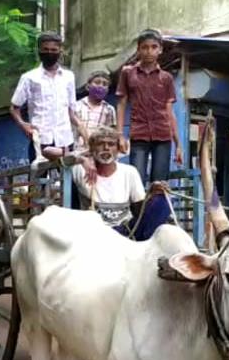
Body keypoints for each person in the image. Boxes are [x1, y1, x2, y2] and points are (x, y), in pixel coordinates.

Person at [72, 127, 173, 241]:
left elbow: (139, 211)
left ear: (117, 149)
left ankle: (142, 246)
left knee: (161, 200)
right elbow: (49, 153)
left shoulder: (129, 172)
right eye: (101, 144)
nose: (106, 148)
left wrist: (152, 194)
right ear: (92, 148)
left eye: (111, 144)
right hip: (96, 234)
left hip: (125, 232)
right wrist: (81, 159)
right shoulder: (81, 170)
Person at [116, 28, 184, 185]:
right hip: (139, 133)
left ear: (160, 50)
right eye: (145, 47)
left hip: (163, 135)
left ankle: (156, 210)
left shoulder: (166, 78)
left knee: (159, 184)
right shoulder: (128, 73)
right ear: (138, 49)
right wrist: (120, 135)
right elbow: (121, 104)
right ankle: (137, 210)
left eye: (154, 47)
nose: (149, 51)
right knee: (136, 181)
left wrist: (178, 144)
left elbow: (169, 112)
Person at [10, 31, 88, 163]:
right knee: (38, 180)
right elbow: (14, 107)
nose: (50, 52)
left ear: (60, 51)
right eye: (45, 49)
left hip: (65, 139)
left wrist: (83, 131)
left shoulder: (68, 77)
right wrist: (23, 125)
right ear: (39, 50)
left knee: (68, 179)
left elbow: (71, 110)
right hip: (40, 139)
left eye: (53, 49)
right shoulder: (29, 78)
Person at [73, 70, 117, 152]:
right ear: (88, 86)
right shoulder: (76, 106)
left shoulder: (109, 109)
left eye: (104, 84)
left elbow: (111, 134)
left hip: (98, 151)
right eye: (97, 82)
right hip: (77, 150)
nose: (101, 86)